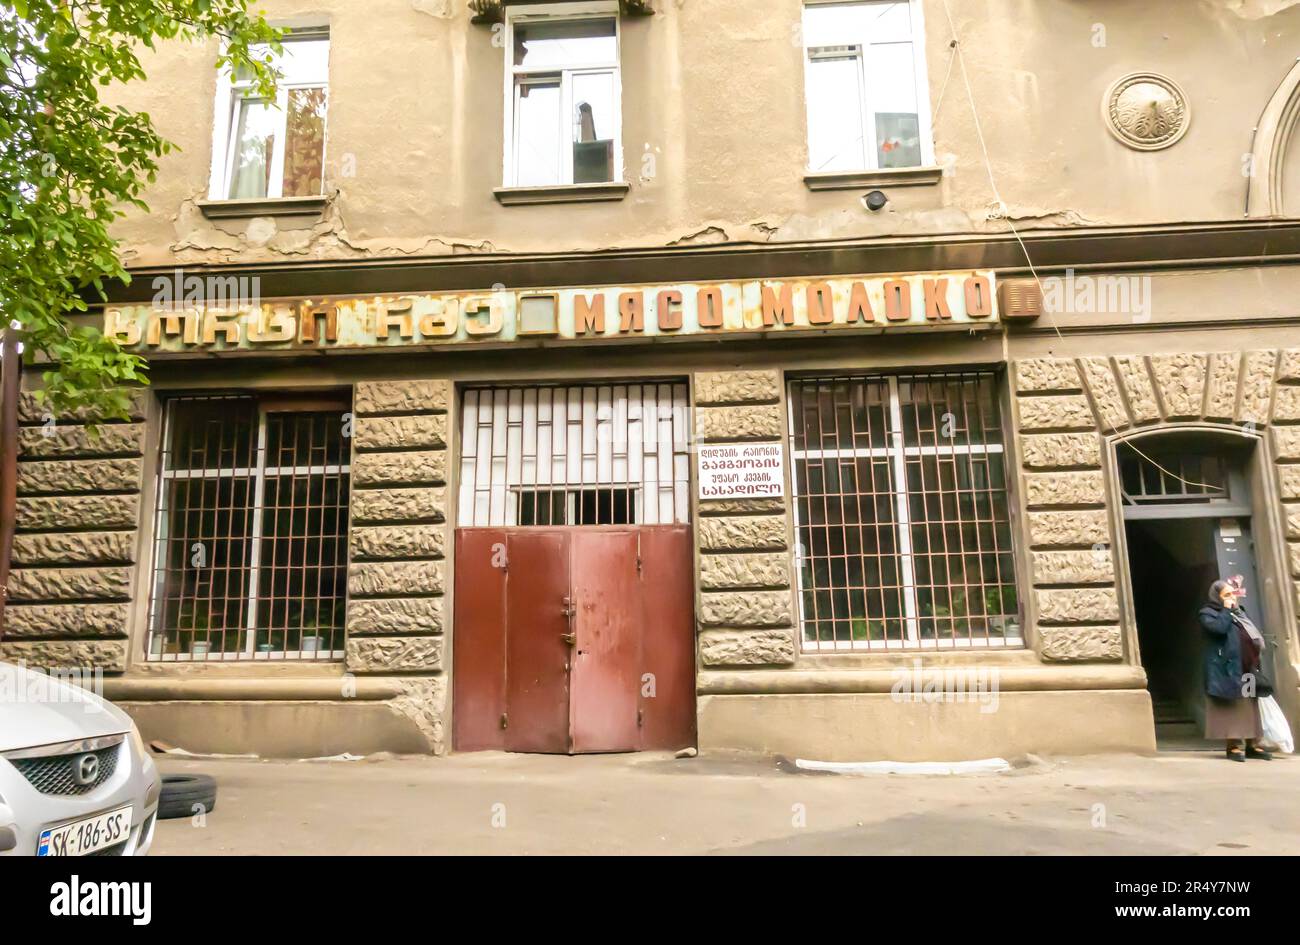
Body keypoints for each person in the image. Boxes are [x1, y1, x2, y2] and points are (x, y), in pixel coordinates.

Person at [1198, 578, 1272, 762]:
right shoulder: (1208, 613)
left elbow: (1251, 634)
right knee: (1232, 707)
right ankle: (1233, 747)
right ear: (1217, 597)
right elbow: (1219, 630)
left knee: (1250, 706)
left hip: (1247, 668)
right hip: (1227, 669)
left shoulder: (1239, 613)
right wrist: (1226, 609)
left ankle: (1253, 744)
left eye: (1233, 594)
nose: (1232, 598)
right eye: (1227, 595)